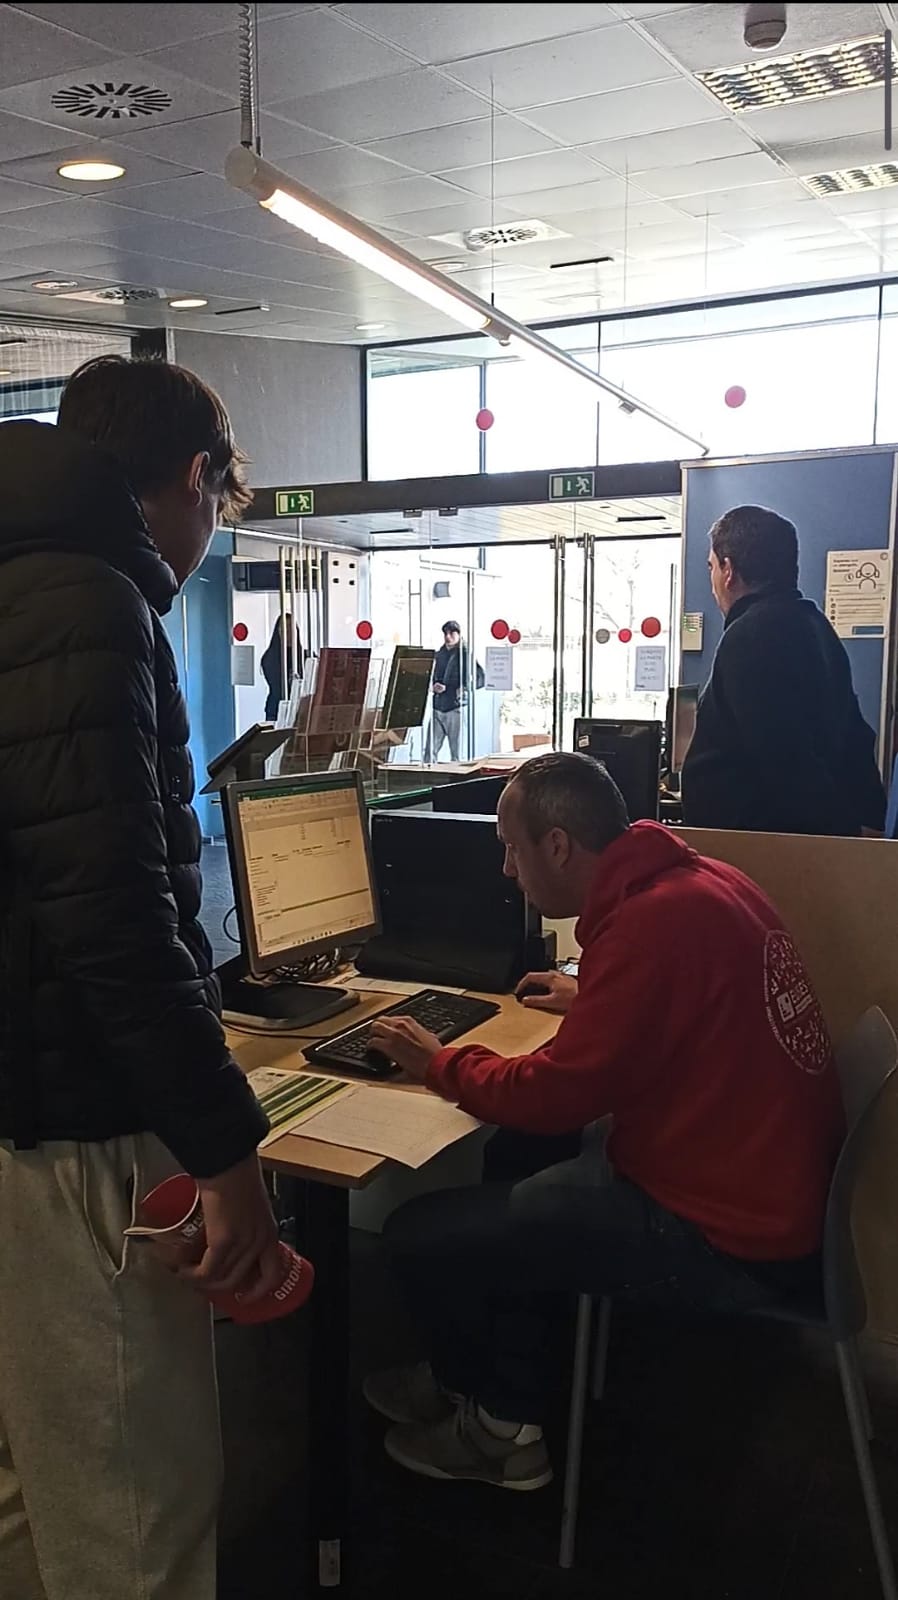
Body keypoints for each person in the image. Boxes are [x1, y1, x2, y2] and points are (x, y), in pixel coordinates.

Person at [363, 752, 843, 1492]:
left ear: (557, 846)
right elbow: (679, 1008)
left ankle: (499, 1436)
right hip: (767, 1192)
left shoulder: (650, 926)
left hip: (728, 1236)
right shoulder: (703, 881)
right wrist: (593, 998)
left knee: (420, 1233)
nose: (506, 870)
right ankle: (493, 1392)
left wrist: (438, 1062)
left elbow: (554, 1094)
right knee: (518, 1158)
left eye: (511, 847)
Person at [0, 357, 283, 1600]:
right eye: (217, 504)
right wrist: (226, 1147)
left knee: (33, 1484)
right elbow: (113, 918)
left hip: (18, 1114)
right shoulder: (86, 599)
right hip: (79, 1124)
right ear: (193, 476)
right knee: (135, 1512)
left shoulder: (18, 576)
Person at [682, 504, 886, 836]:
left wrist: (840, 833)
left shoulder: (751, 636)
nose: (713, 582)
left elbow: (783, 757)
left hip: (763, 845)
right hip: (808, 841)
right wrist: (866, 828)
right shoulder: (814, 626)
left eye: (712, 567)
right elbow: (856, 737)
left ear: (728, 570)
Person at [430, 619, 483, 761]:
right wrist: (434, 686)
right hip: (438, 705)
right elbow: (433, 675)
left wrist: (463, 688)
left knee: (456, 753)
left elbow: (480, 678)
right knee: (430, 750)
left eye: (452, 633)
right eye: (446, 634)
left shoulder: (465, 654)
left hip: (455, 706)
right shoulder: (440, 654)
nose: (448, 637)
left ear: (459, 635)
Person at [260, 611, 302, 721]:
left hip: (301, 709)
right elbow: (277, 687)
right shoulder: (270, 657)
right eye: (285, 629)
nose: (289, 633)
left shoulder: (304, 656)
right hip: (276, 711)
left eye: (291, 628)